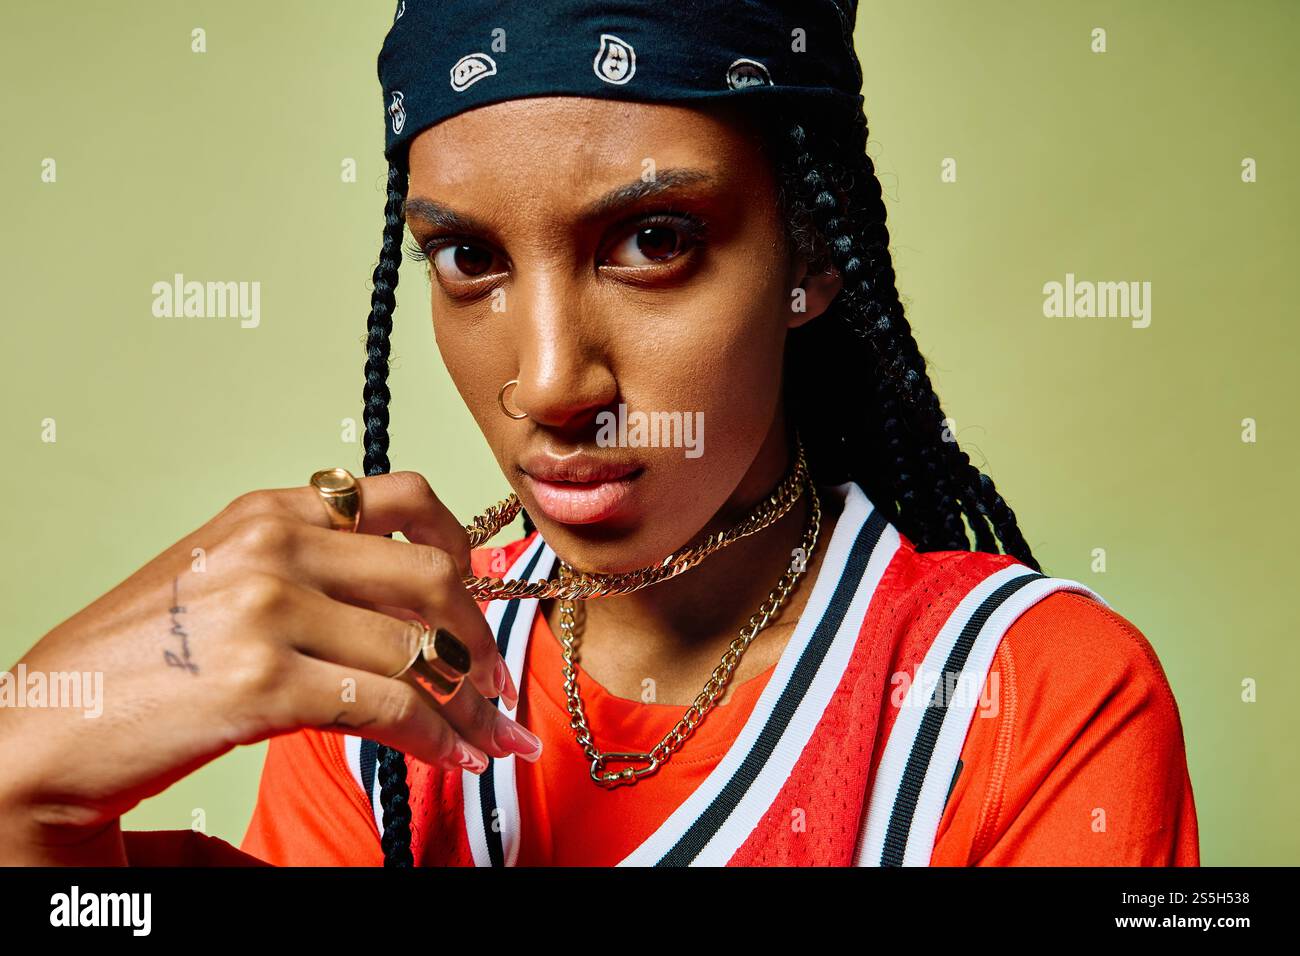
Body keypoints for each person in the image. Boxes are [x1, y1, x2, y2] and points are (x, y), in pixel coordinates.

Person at [0, 0, 1198, 867]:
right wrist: (29, 812)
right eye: (468, 258)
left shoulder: (1026, 699)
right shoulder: (394, 677)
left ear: (813, 252)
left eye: (654, 239)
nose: (548, 381)